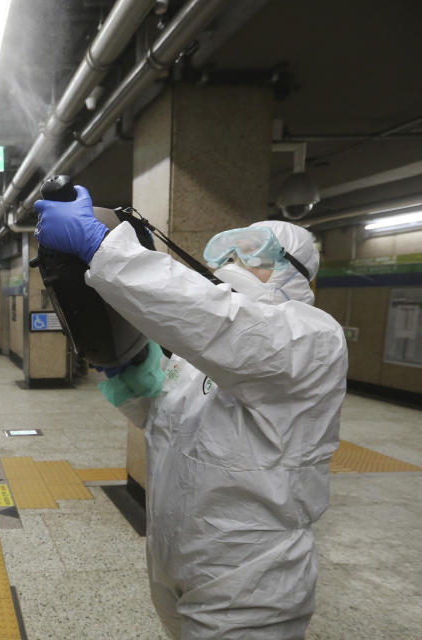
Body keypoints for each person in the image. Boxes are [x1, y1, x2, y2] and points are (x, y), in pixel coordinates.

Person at [34, 185, 348, 639]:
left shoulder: (308, 335)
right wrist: (131, 374)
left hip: (251, 582)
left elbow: (216, 321)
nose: (232, 266)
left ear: (292, 271)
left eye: (252, 256)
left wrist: (103, 247)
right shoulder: (209, 347)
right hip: (175, 557)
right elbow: (165, 420)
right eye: (229, 254)